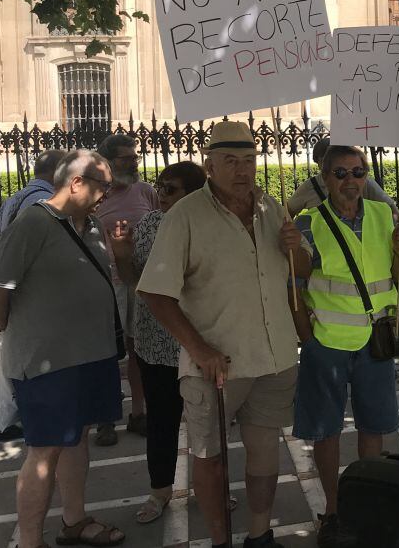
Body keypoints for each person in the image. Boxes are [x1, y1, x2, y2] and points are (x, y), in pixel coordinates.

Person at [138, 121, 311, 548]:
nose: (242, 170)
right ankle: (220, 541)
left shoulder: (273, 208)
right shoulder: (185, 216)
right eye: (230, 161)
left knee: (265, 453)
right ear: (209, 164)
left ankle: (259, 533)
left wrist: (297, 249)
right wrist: (199, 349)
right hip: (214, 365)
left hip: (273, 359)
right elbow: (156, 294)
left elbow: (301, 274)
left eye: (249, 160)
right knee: (209, 459)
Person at [0, 150, 126, 548]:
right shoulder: (33, 222)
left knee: (76, 438)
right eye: (103, 186)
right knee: (43, 452)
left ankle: (74, 521)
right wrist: (18, 327)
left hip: (90, 355)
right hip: (48, 364)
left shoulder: (90, 225)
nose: (107, 195)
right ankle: (30, 540)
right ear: (76, 183)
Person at [290, 145, 399, 547]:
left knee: (373, 427)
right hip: (327, 343)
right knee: (325, 430)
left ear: (366, 177)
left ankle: (365, 503)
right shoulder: (309, 222)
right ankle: (333, 509)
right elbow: (299, 274)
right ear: (324, 179)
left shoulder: (384, 216)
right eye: (340, 173)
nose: (350, 181)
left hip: (374, 340)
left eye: (358, 173)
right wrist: (291, 248)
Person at [110, 161, 207, 524]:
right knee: (162, 421)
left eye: (171, 189)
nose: (161, 195)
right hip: (156, 341)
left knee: (206, 423)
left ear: (194, 193)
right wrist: (121, 254)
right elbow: (136, 282)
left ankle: (208, 485)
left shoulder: (211, 226)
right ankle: (160, 490)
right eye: (160, 187)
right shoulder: (150, 225)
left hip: (200, 340)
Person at [0, 149, 67, 443]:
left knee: (10, 356)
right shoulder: (41, 204)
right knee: (28, 361)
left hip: (9, 288)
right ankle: (5, 420)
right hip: (26, 290)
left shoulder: (15, 198)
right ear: (58, 173)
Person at [96, 133, 160, 446]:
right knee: (105, 352)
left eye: (135, 157)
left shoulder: (146, 191)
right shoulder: (96, 196)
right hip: (107, 285)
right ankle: (105, 418)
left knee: (137, 350)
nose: (134, 163)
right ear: (107, 162)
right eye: (126, 158)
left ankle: (139, 413)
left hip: (141, 283)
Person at [287, 137, 398, 216]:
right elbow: (287, 213)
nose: (350, 179)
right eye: (339, 172)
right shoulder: (310, 186)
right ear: (318, 162)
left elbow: (391, 208)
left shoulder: (363, 182)